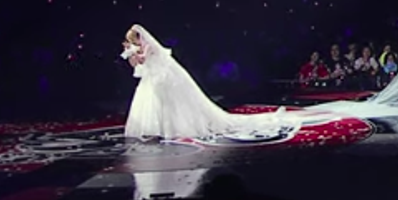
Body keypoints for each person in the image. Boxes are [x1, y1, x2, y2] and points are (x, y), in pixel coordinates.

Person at [122, 25, 290, 141]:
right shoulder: (139, 49)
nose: (134, 43)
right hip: (152, 79)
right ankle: (153, 130)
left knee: (167, 103)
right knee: (153, 103)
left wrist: (132, 52)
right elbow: (137, 64)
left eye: (134, 40)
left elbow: (143, 58)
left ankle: (169, 129)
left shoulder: (150, 46)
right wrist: (130, 54)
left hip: (163, 78)